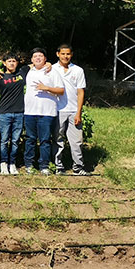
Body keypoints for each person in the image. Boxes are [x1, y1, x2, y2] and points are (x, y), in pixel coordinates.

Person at [23, 48, 64, 175]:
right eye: (35, 56)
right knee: (30, 139)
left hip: (47, 112)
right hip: (30, 112)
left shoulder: (52, 72)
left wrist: (46, 88)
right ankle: (29, 164)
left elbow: (61, 90)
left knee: (45, 140)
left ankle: (44, 165)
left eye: (41, 56)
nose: (38, 58)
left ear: (45, 58)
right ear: (31, 59)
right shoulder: (28, 71)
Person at [52, 44, 90, 175]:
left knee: (77, 141)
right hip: (57, 110)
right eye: (62, 54)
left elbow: (80, 92)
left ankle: (78, 167)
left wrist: (79, 112)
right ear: (58, 54)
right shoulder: (51, 68)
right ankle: (58, 166)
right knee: (58, 139)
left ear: (71, 55)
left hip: (74, 110)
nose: (65, 56)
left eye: (68, 54)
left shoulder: (78, 70)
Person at [0, 52, 29, 175]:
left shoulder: (22, 74)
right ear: (4, 63)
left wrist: (49, 64)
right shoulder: (0, 77)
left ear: (17, 63)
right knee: (4, 140)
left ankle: (12, 163)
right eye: (9, 61)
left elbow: (40, 63)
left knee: (15, 140)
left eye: (14, 61)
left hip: (19, 112)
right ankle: (3, 163)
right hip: (4, 113)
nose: (12, 63)